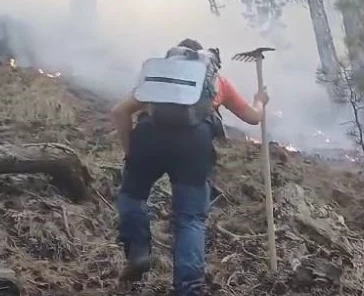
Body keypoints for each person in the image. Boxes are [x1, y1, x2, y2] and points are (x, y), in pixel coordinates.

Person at [110, 38, 268, 295]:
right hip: (193, 146)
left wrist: (131, 153)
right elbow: (253, 117)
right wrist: (260, 100)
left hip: (149, 138)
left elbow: (119, 111)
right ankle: (188, 288)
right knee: (190, 220)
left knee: (132, 196)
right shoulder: (217, 81)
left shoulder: (159, 78)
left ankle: (138, 250)